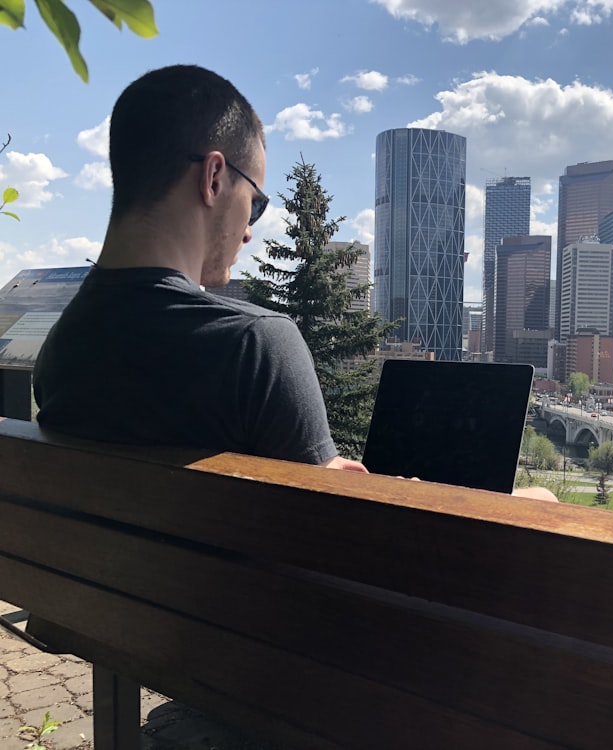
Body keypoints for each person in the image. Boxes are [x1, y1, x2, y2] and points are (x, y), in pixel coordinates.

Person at [33, 65, 556, 501]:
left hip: (94, 620)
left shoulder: (61, 348)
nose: (250, 228)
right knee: (543, 500)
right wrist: (403, 494)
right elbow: (337, 546)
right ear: (213, 178)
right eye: (256, 200)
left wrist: (321, 468)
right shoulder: (253, 346)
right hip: (235, 623)